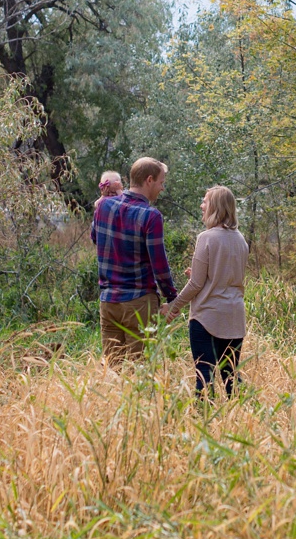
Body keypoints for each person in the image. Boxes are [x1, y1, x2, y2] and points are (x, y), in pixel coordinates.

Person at [161, 185, 247, 397]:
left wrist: (173, 306)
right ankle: (243, 420)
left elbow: (197, 285)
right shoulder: (241, 239)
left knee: (204, 376)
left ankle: (203, 421)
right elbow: (225, 277)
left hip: (207, 318)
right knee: (231, 376)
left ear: (215, 207)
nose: (202, 205)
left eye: (205, 201)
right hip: (234, 316)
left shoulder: (206, 238)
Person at [91, 157, 176, 363]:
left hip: (108, 302)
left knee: (114, 370)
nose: (162, 188)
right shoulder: (151, 216)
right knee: (141, 371)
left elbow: (96, 238)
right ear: (149, 180)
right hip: (138, 302)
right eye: (161, 182)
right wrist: (172, 297)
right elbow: (159, 263)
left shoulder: (102, 207)